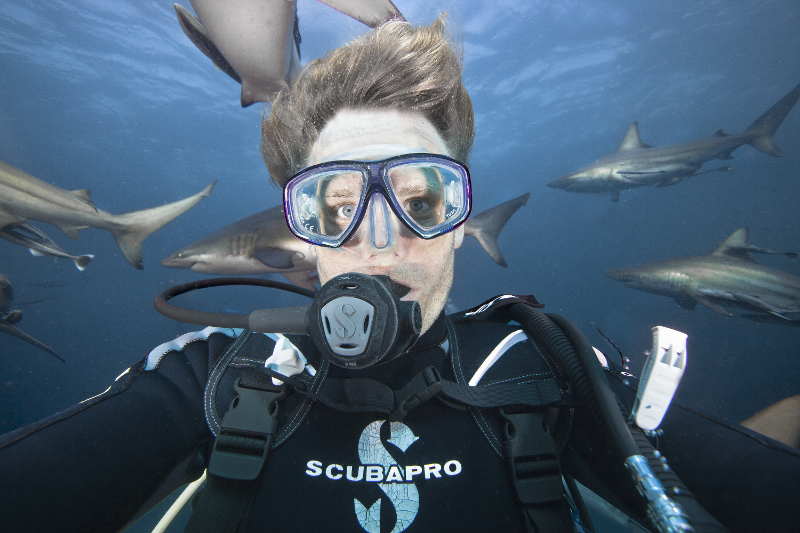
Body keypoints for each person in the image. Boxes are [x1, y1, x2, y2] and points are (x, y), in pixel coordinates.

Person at [0, 15, 795, 533]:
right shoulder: (219, 376)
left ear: (459, 222)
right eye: (333, 204)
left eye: (423, 198)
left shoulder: (546, 367)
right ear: (299, 236)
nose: (382, 241)